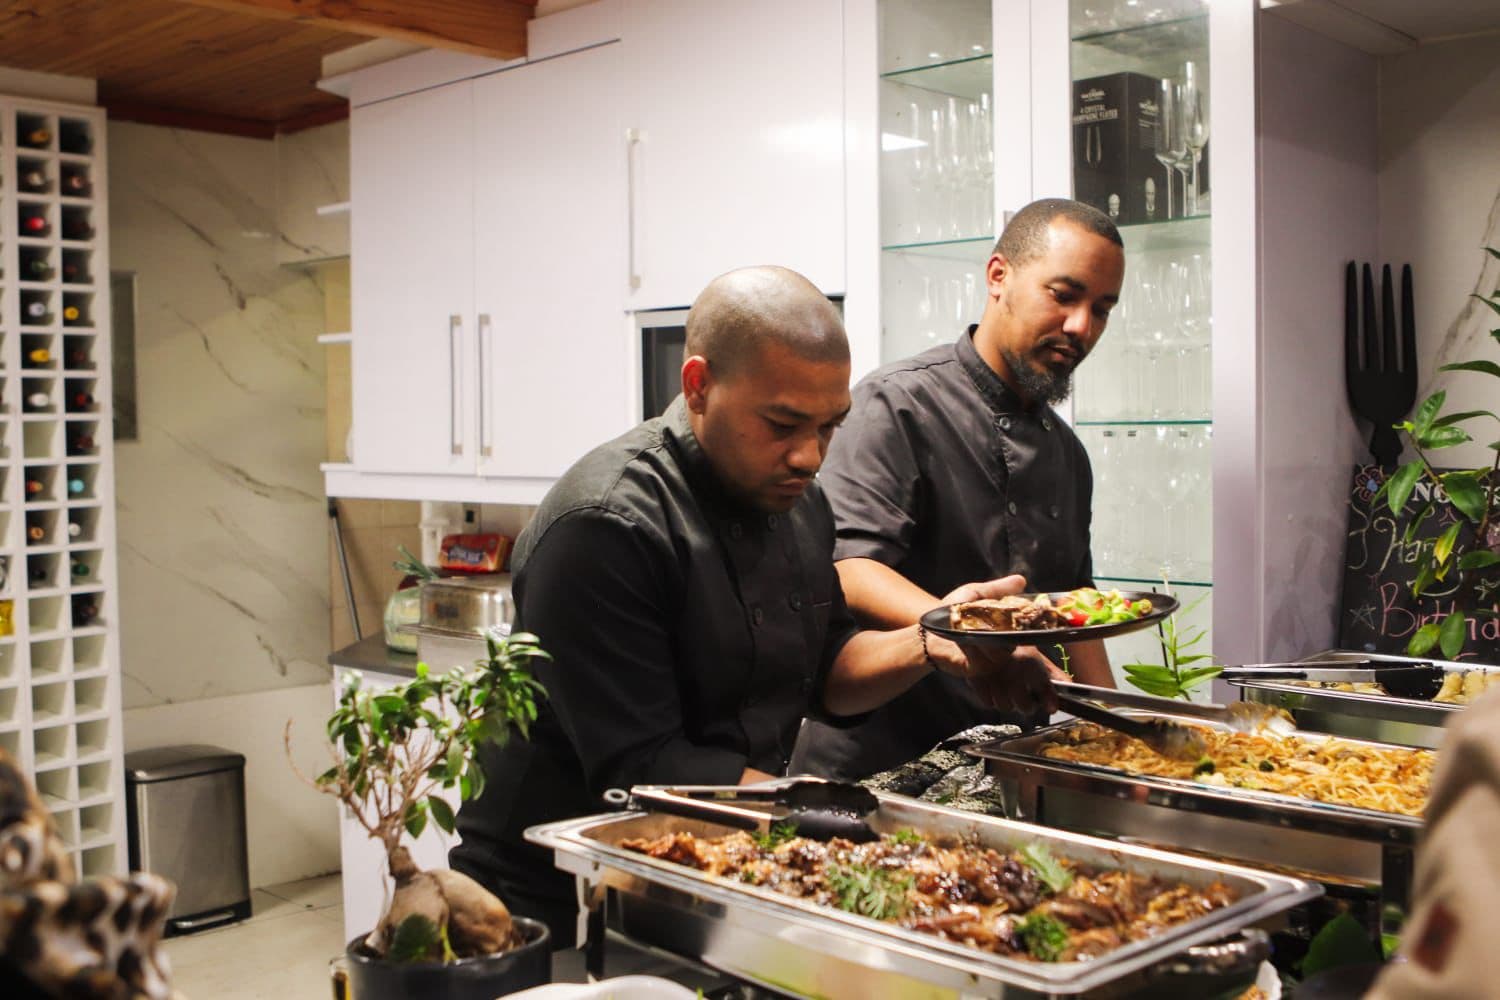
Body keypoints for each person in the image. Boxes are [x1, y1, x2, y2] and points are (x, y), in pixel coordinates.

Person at [451, 265, 1055, 946]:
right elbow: (648, 772)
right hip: (555, 903)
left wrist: (937, 637)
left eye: (830, 426)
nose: (810, 455)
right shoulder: (606, 524)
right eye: (783, 423)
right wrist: (864, 826)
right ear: (699, 386)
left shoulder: (799, 502)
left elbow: (829, 673)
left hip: (703, 872)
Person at [791, 198, 1127, 782]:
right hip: (878, 761)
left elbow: (1075, 599)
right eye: (1064, 295)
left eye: (1102, 308)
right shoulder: (897, 404)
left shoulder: (1067, 453)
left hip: (1000, 764)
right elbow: (850, 567)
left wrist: (1119, 730)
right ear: (999, 276)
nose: (1082, 327)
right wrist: (982, 636)